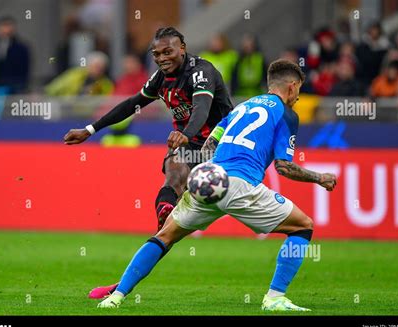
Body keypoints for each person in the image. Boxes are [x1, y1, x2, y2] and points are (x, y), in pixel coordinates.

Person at [92, 59, 337, 312]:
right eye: (298, 91)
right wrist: (320, 178)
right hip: (242, 185)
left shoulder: (242, 107)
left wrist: (199, 178)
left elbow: (209, 144)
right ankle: (275, 298)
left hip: (209, 179)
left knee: (164, 236)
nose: (297, 97)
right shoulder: (287, 115)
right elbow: (283, 167)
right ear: (292, 86)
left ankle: (116, 297)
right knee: (303, 226)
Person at [63, 27, 234, 230]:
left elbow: (201, 110)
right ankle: (165, 214)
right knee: (174, 173)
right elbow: (131, 105)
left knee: (240, 200)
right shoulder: (160, 78)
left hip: (223, 139)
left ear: (182, 49)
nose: (161, 58)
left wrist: (185, 134)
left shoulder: (200, 72)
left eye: (167, 52)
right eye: (156, 54)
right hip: (189, 142)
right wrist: (90, 129)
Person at [0, 16, 30, 94]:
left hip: (15, 87)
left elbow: (24, 69)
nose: (5, 29)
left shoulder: (21, 47)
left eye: (7, 26)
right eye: (3, 26)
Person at [45, 51, 113, 96]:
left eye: (101, 67)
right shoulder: (75, 75)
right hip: (67, 110)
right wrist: (43, 95)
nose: (98, 70)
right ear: (89, 65)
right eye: (95, 66)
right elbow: (55, 87)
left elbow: (107, 101)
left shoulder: (106, 84)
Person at [231, 34, 267, 98]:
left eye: (250, 44)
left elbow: (265, 76)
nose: (248, 47)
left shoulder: (260, 59)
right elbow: (234, 78)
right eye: (246, 45)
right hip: (240, 94)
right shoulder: (238, 60)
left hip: (257, 93)